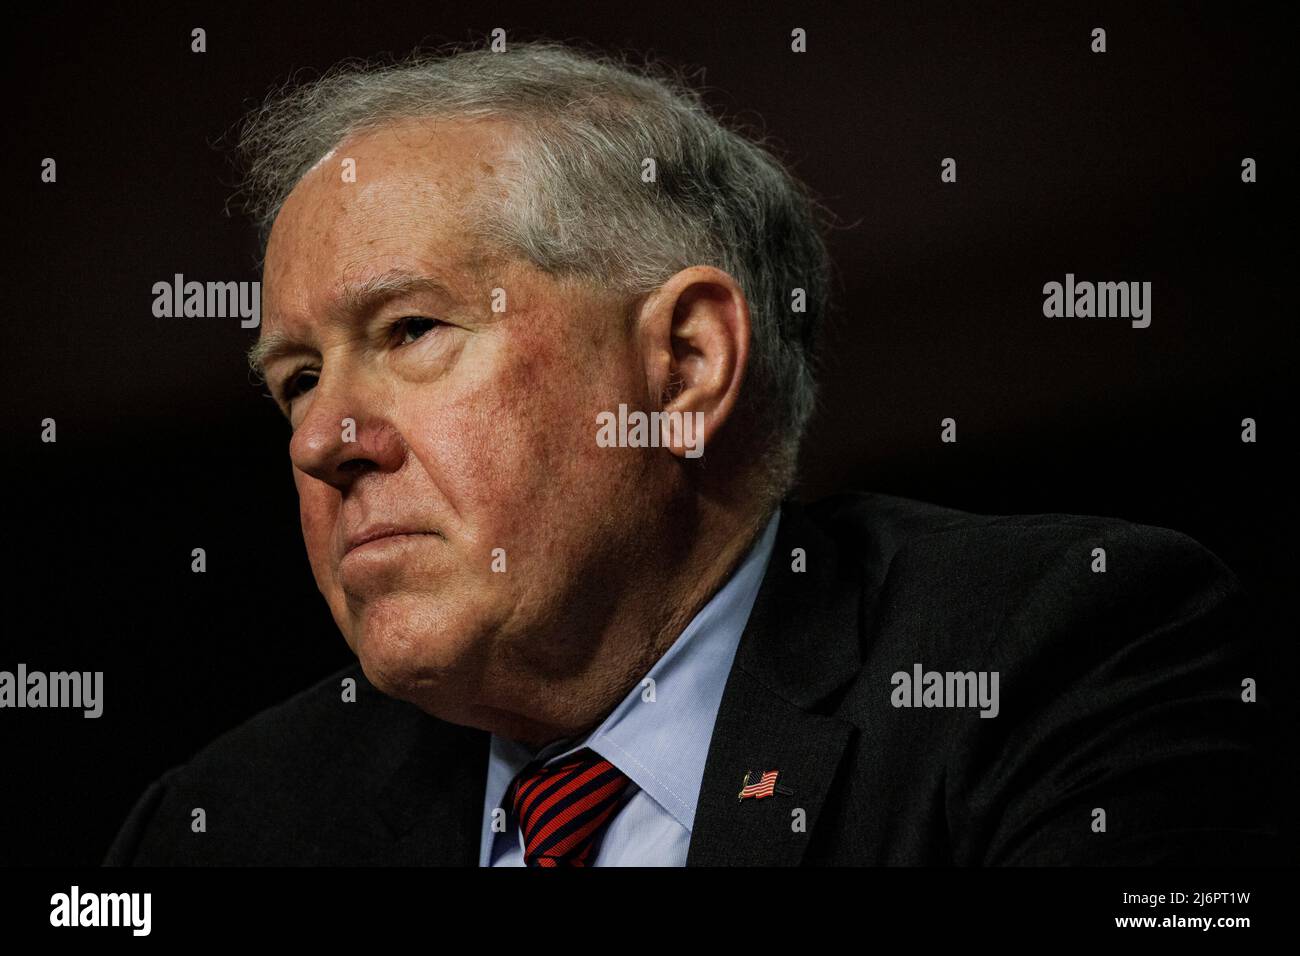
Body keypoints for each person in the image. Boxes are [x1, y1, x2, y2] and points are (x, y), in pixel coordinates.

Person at [104, 40, 1277, 866]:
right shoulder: (223, 818)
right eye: (297, 379)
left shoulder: (1053, 653)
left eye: (411, 330)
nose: (319, 440)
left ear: (684, 365)